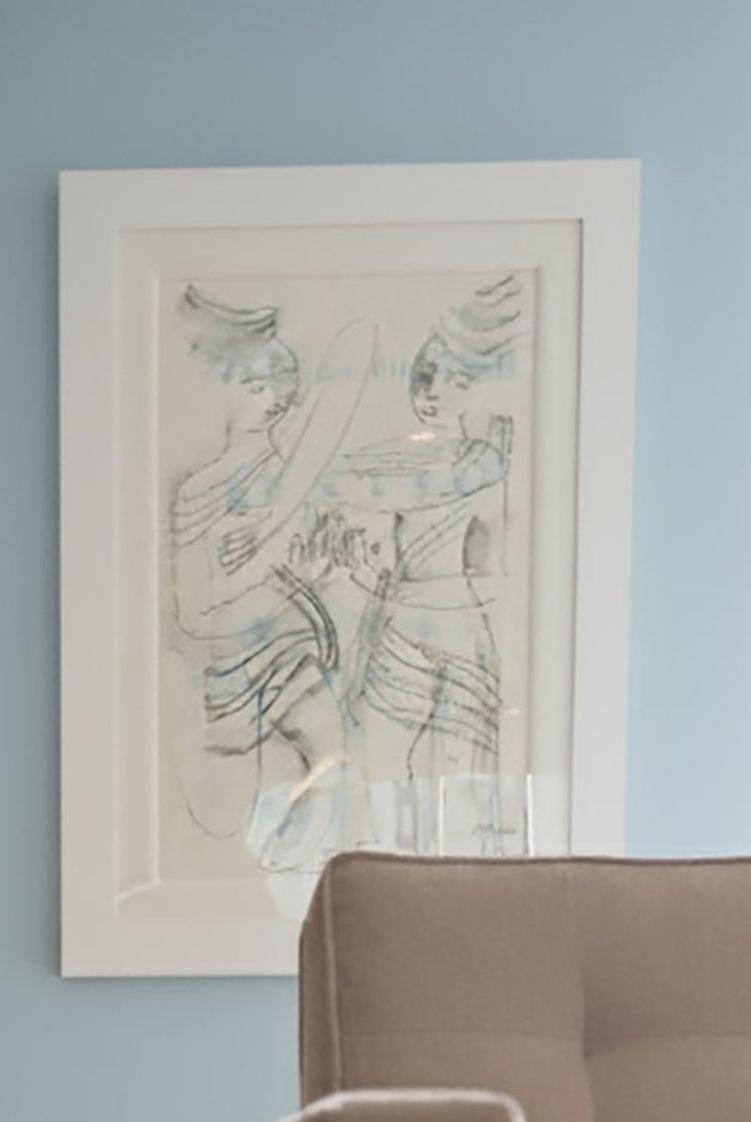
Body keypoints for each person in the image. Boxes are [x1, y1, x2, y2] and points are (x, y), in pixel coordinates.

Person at [322, 275, 522, 853]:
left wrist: (331, 482)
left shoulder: (482, 460)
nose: (431, 393)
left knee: (459, 776)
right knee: (385, 765)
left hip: (453, 625)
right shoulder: (417, 457)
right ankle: (395, 875)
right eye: (423, 378)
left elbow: (400, 493)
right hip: (404, 619)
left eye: (453, 380)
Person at [166, 291, 360, 873]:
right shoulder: (200, 492)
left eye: (282, 384)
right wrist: (261, 563)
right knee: (223, 820)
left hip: (299, 655)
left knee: (331, 764)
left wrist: (318, 566)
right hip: (233, 672)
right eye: (257, 387)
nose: (276, 400)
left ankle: (301, 879)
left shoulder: (293, 477)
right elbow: (195, 606)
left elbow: (313, 568)